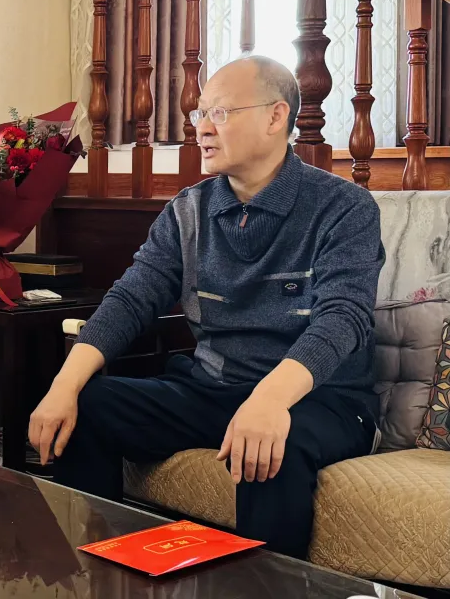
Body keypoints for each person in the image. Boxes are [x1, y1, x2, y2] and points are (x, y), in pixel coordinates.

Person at [29, 55, 384, 559]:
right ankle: (99, 576)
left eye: (221, 113)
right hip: (215, 390)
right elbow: (131, 299)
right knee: (88, 405)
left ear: (276, 116)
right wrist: (64, 385)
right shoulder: (188, 210)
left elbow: (342, 318)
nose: (202, 128)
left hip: (320, 400)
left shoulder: (344, 208)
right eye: (200, 114)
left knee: (270, 445)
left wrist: (268, 402)